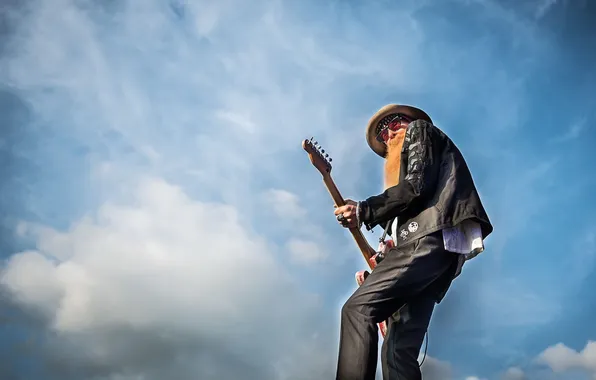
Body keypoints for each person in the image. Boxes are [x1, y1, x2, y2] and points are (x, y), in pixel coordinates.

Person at [333, 104, 493, 380]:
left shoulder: (421, 131)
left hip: (426, 239)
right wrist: (379, 262)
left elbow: (415, 186)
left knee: (357, 310)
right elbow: (405, 207)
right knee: (397, 351)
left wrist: (363, 210)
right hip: (434, 254)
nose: (389, 132)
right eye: (383, 132)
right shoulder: (403, 205)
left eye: (395, 121)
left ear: (410, 122)